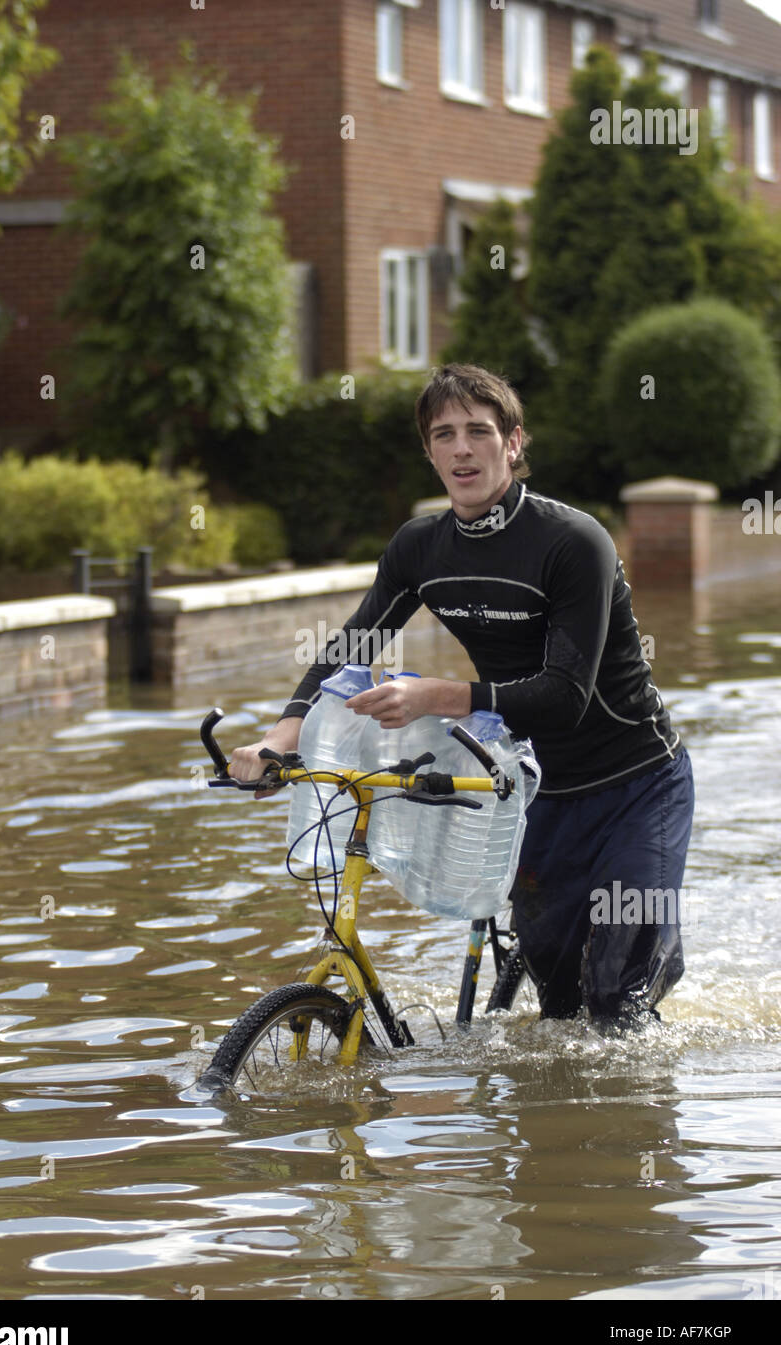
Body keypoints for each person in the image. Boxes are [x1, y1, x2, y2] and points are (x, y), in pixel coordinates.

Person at [229, 363, 694, 1028]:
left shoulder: (573, 542)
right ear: (429, 452)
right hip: (536, 789)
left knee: (615, 1001)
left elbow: (565, 696)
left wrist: (439, 696)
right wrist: (282, 735)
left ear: (513, 443)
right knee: (559, 1007)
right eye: (443, 434)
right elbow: (349, 650)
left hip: (637, 782)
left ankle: (650, 966)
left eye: (479, 430)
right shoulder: (421, 548)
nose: (462, 448)